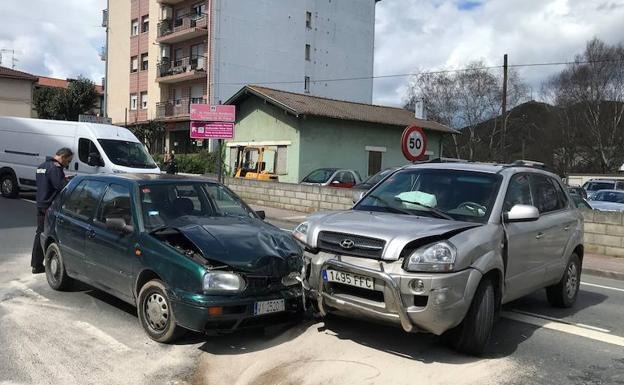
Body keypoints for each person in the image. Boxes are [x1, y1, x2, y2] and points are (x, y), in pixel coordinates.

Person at [31, 147, 73, 274]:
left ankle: (36, 264)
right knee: (52, 235)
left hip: (40, 203)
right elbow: (61, 187)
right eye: (68, 161)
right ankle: (53, 263)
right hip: (50, 206)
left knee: (39, 233)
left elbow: (45, 183)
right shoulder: (55, 168)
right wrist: (68, 180)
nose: (68, 164)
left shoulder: (42, 166)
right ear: (63, 157)